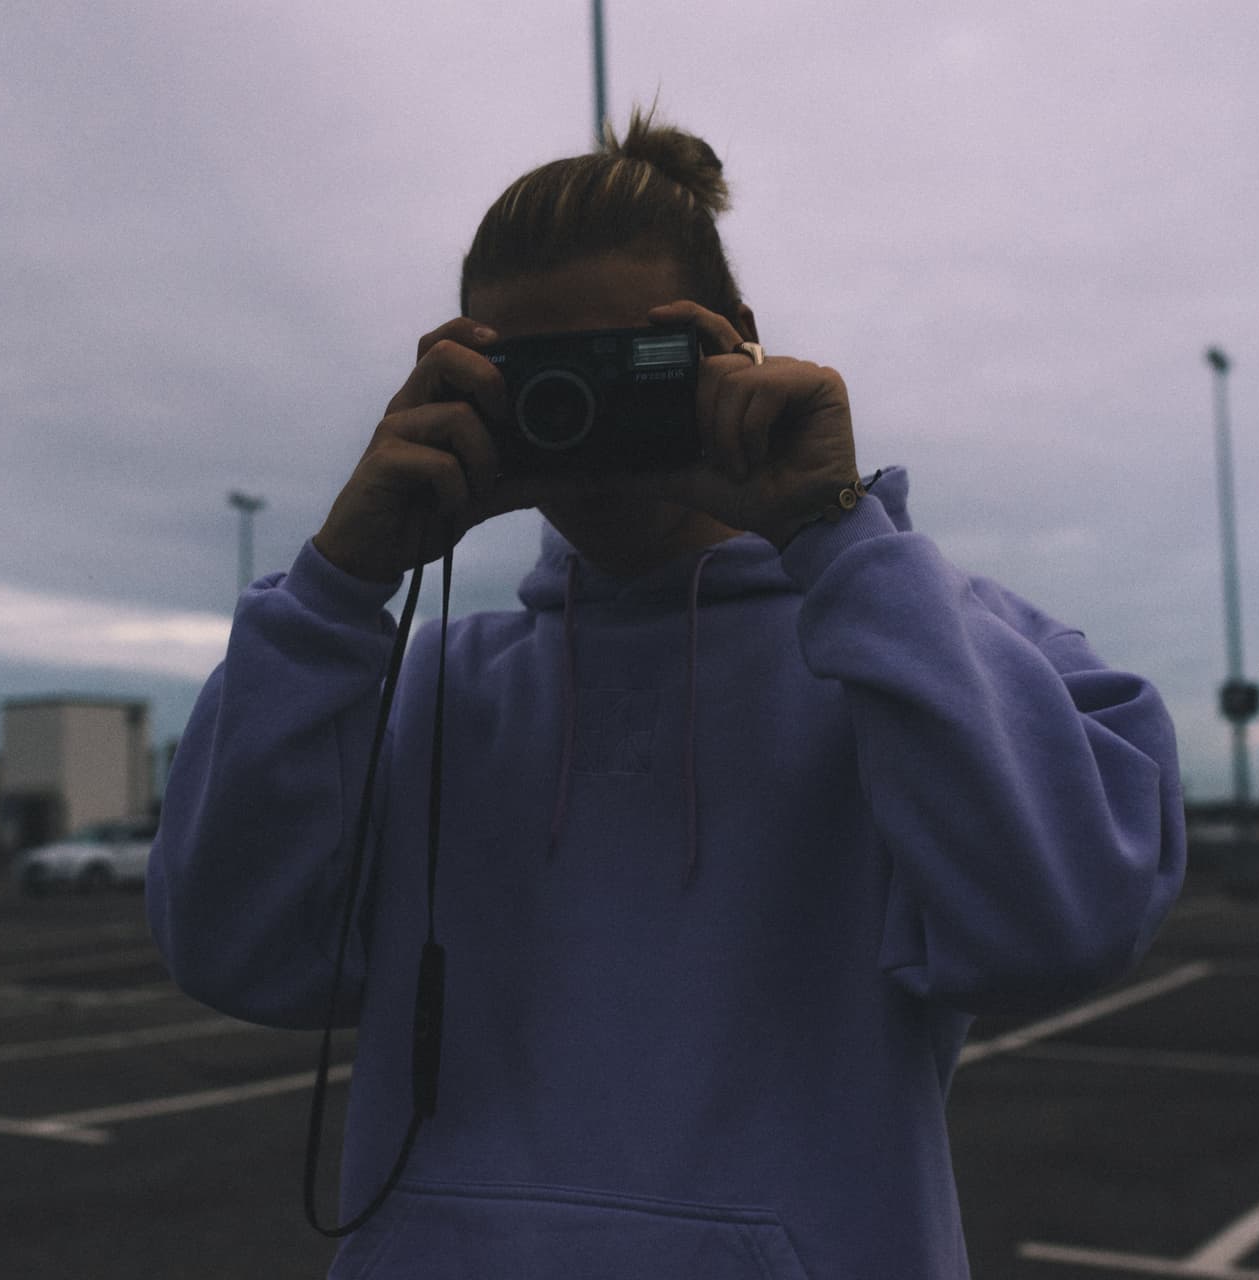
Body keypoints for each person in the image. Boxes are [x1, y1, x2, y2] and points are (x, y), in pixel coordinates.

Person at [148, 109, 1186, 1279]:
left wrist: (838, 538)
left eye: (621, 370)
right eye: (536, 381)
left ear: (733, 348)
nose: (581, 420)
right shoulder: (423, 685)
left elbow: (1060, 928)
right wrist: (339, 585)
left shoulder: (924, 647)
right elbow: (235, 951)